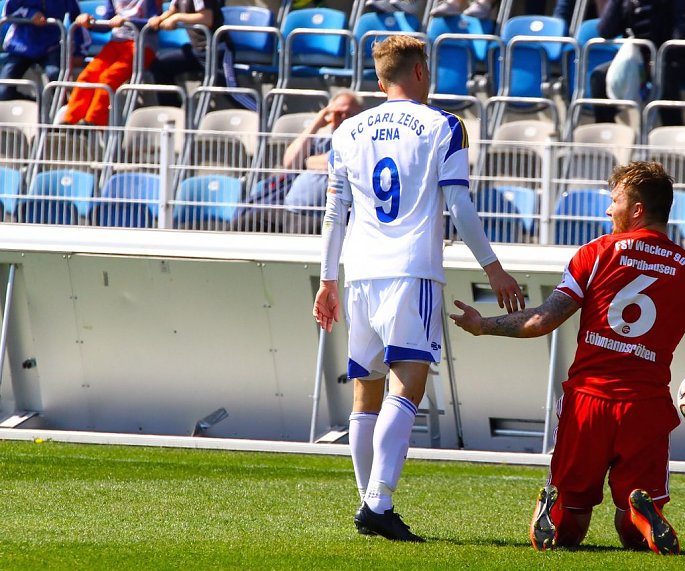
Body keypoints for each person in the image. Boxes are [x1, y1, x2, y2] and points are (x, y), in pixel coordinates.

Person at [450, 161, 685, 554]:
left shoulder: (596, 253)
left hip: (588, 403)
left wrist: (484, 325)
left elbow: (541, 321)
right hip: (645, 408)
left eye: (614, 200)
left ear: (637, 210)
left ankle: (553, 507)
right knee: (631, 533)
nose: (607, 210)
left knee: (571, 530)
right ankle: (643, 517)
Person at [312, 35, 524, 542]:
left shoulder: (347, 131)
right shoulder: (444, 126)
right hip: (411, 271)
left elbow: (332, 215)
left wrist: (326, 280)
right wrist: (493, 268)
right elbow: (460, 207)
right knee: (408, 381)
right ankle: (378, 503)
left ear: (380, 79)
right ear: (422, 72)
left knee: (366, 393)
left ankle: (370, 504)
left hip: (359, 273)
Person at [234, 91, 362, 233]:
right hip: (288, 208)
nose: (343, 118)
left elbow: (333, 161)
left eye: (349, 114)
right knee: (242, 223)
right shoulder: (321, 141)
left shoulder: (359, 142)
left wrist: (307, 162)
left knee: (295, 235)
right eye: (338, 113)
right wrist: (317, 122)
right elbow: (290, 162)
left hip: (317, 215)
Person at [591, 0, 685, 126]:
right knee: (599, 76)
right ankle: (607, 133)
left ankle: (672, 130)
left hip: (674, 59)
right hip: (639, 61)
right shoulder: (628, 3)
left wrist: (656, 59)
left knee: (663, 74)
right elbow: (605, 31)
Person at [64, 0, 160, 126]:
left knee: (108, 78)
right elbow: (107, 23)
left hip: (141, 45)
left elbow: (155, 24)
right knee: (87, 75)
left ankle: (92, 122)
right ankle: (70, 121)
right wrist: (90, 22)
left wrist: (127, 21)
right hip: (116, 43)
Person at [146, 0, 225, 108]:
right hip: (195, 51)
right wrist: (159, 19)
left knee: (227, 89)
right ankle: (173, 114)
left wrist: (177, 18)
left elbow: (206, 18)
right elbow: (173, 10)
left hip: (216, 50)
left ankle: (255, 113)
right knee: (159, 67)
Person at [0, 0, 82, 101]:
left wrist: (79, 52)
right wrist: (30, 14)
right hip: (20, 47)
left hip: (51, 47)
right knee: (3, 91)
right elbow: (7, 13)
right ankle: (34, 107)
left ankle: (61, 112)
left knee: (56, 77)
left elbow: (78, 19)